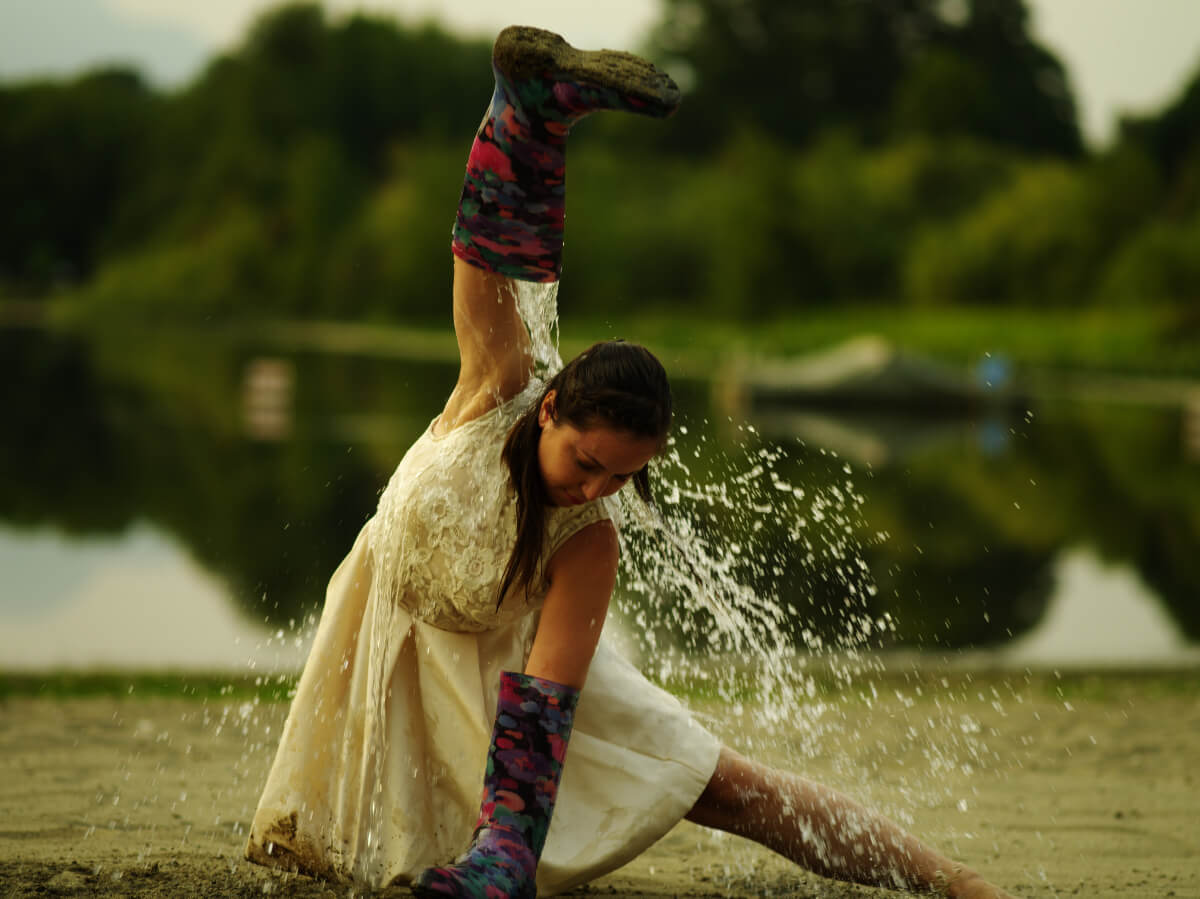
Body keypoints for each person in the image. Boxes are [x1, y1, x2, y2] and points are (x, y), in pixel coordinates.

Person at [245, 25, 1016, 899]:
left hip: (510, 670)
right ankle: (532, 109)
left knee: (729, 789)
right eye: (588, 460)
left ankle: (951, 881)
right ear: (548, 411)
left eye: (622, 475)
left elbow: (542, 703)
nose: (599, 486)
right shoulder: (493, 386)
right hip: (398, 629)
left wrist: (506, 852)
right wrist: (521, 121)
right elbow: (483, 253)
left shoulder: (588, 538)